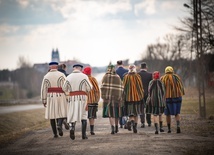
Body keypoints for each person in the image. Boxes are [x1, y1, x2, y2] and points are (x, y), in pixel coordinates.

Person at [62, 64, 92, 140]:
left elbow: (64, 88)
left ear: (74, 68)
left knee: (73, 114)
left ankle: (72, 128)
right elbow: (90, 87)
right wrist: (85, 91)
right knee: (84, 116)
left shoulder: (68, 77)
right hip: (82, 98)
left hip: (72, 98)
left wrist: (69, 92)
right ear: (80, 69)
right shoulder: (84, 76)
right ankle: (84, 135)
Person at [41, 62, 67, 138]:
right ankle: (59, 124)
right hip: (60, 96)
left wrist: (44, 100)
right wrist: (68, 96)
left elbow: (43, 89)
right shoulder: (61, 75)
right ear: (57, 67)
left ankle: (55, 134)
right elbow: (66, 86)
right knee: (62, 112)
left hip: (50, 97)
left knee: (52, 115)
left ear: (50, 67)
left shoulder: (46, 76)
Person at [160, 66, 185, 133]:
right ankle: (178, 126)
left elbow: (160, 89)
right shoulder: (177, 77)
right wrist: (182, 93)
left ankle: (169, 129)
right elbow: (181, 86)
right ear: (172, 71)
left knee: (167, 114)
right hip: (177, 97)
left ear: (165, 71)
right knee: (177, 113)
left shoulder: (163, 78)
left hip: (167, 98)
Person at [101, 64, 124, 134]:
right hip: (116, 98)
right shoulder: (117, 77)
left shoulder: (105, 76)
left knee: (110, 114)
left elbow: (102, 87)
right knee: (116, 114)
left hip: (108, 99)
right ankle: (117, 127)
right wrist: (120, 97)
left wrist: (104, 95)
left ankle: (112, 128)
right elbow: (121, 88)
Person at [123, 64, 144, 133]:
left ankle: (131, 121)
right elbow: (140, 87)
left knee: (131, 113)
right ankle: (135, 126)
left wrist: (124, 96)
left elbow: (124, 88)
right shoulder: (138, 76)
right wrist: (141, 95)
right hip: (137, 98)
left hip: (129, 98)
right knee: (136, 113)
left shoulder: (126, 77)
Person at [82, 66, 100, 135]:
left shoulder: (83, 79)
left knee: (84, 116)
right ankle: (91, 130)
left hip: (85, 100)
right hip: (92, 100)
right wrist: (97, 99)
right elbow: (97, 90)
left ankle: (84, 131)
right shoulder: (93, 79)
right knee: (92, 116)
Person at [138, 62, 152, 128]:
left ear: (140, 67)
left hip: (140, 93)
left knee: (141, 108)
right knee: (148, 108)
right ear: (146, 67)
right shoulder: (150, 75)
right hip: (148, 93)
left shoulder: (137, 74)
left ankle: (142, 122)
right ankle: (149, 122)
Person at [115, 60, 128, 128]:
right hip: (125, 90)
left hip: (118, 91)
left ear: (117, 64)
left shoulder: (115, 72)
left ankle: (120, 123)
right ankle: (126, 121)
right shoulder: (126, 71)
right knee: (125, 106)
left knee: (119, 107)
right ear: (122, 64)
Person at [58, 63, 69, 130]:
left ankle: (59, 124)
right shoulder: (67, 75)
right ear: (64, 68)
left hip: (56, 95)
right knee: (66, 109)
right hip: (65, 95)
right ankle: (65, 120)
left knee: (58, 111)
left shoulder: (56, 75)